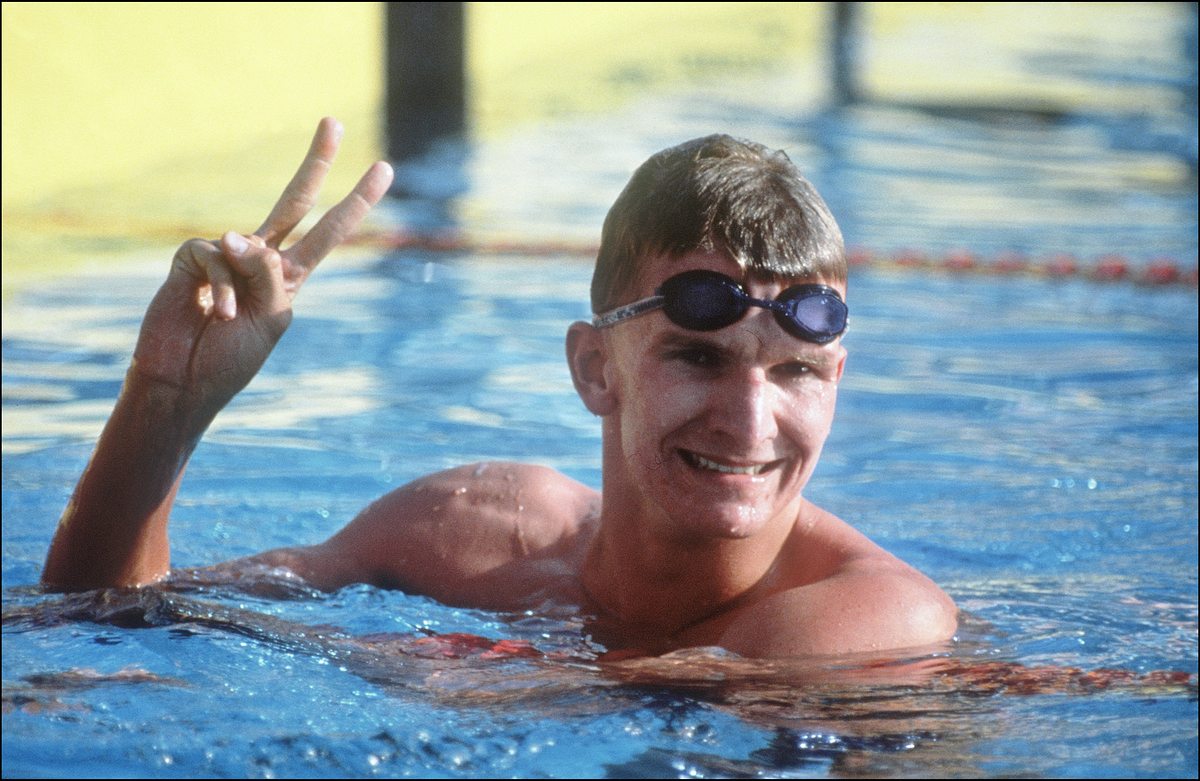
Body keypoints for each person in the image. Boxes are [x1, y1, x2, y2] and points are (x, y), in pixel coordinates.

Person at [41, 118, 957, 659]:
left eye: (795, 370)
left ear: (836, 378)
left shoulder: (876, 621)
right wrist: (168, 401)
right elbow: (91, 624)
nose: (752, 422)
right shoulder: (466, 531)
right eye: (699, 357)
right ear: (595, 368)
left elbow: (597, 699)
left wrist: (414, 665)